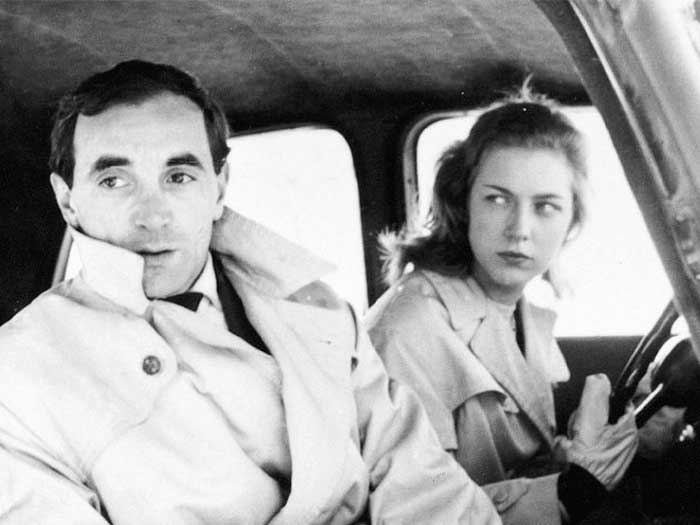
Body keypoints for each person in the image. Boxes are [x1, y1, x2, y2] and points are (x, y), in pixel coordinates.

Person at [0, 60, 500, 524]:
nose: (153, 216)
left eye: (178, 176)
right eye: (114, 181)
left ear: (219, 188)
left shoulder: (317, 309)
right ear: (67, 201)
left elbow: (425, 486)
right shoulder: (18, 372)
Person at [365, 89, 640, 524]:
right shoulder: (409, 326)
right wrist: (571, 493)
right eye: (497, 199)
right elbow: (417, 512)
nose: (519, 229)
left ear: (571, 221)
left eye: (546, 207)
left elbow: (523, 463)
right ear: (463, 204)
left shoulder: (517, 310)